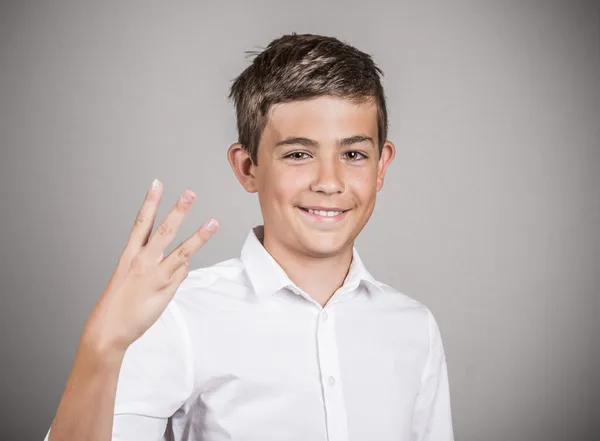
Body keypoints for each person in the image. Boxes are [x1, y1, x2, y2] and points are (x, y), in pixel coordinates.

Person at [45, 33, 454, 441]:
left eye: (353, 155)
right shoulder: (176, 314)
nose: (330, 183)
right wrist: (101, 348)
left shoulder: (415, 329)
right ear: (247, 167)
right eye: (298, 154)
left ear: (381, 165)